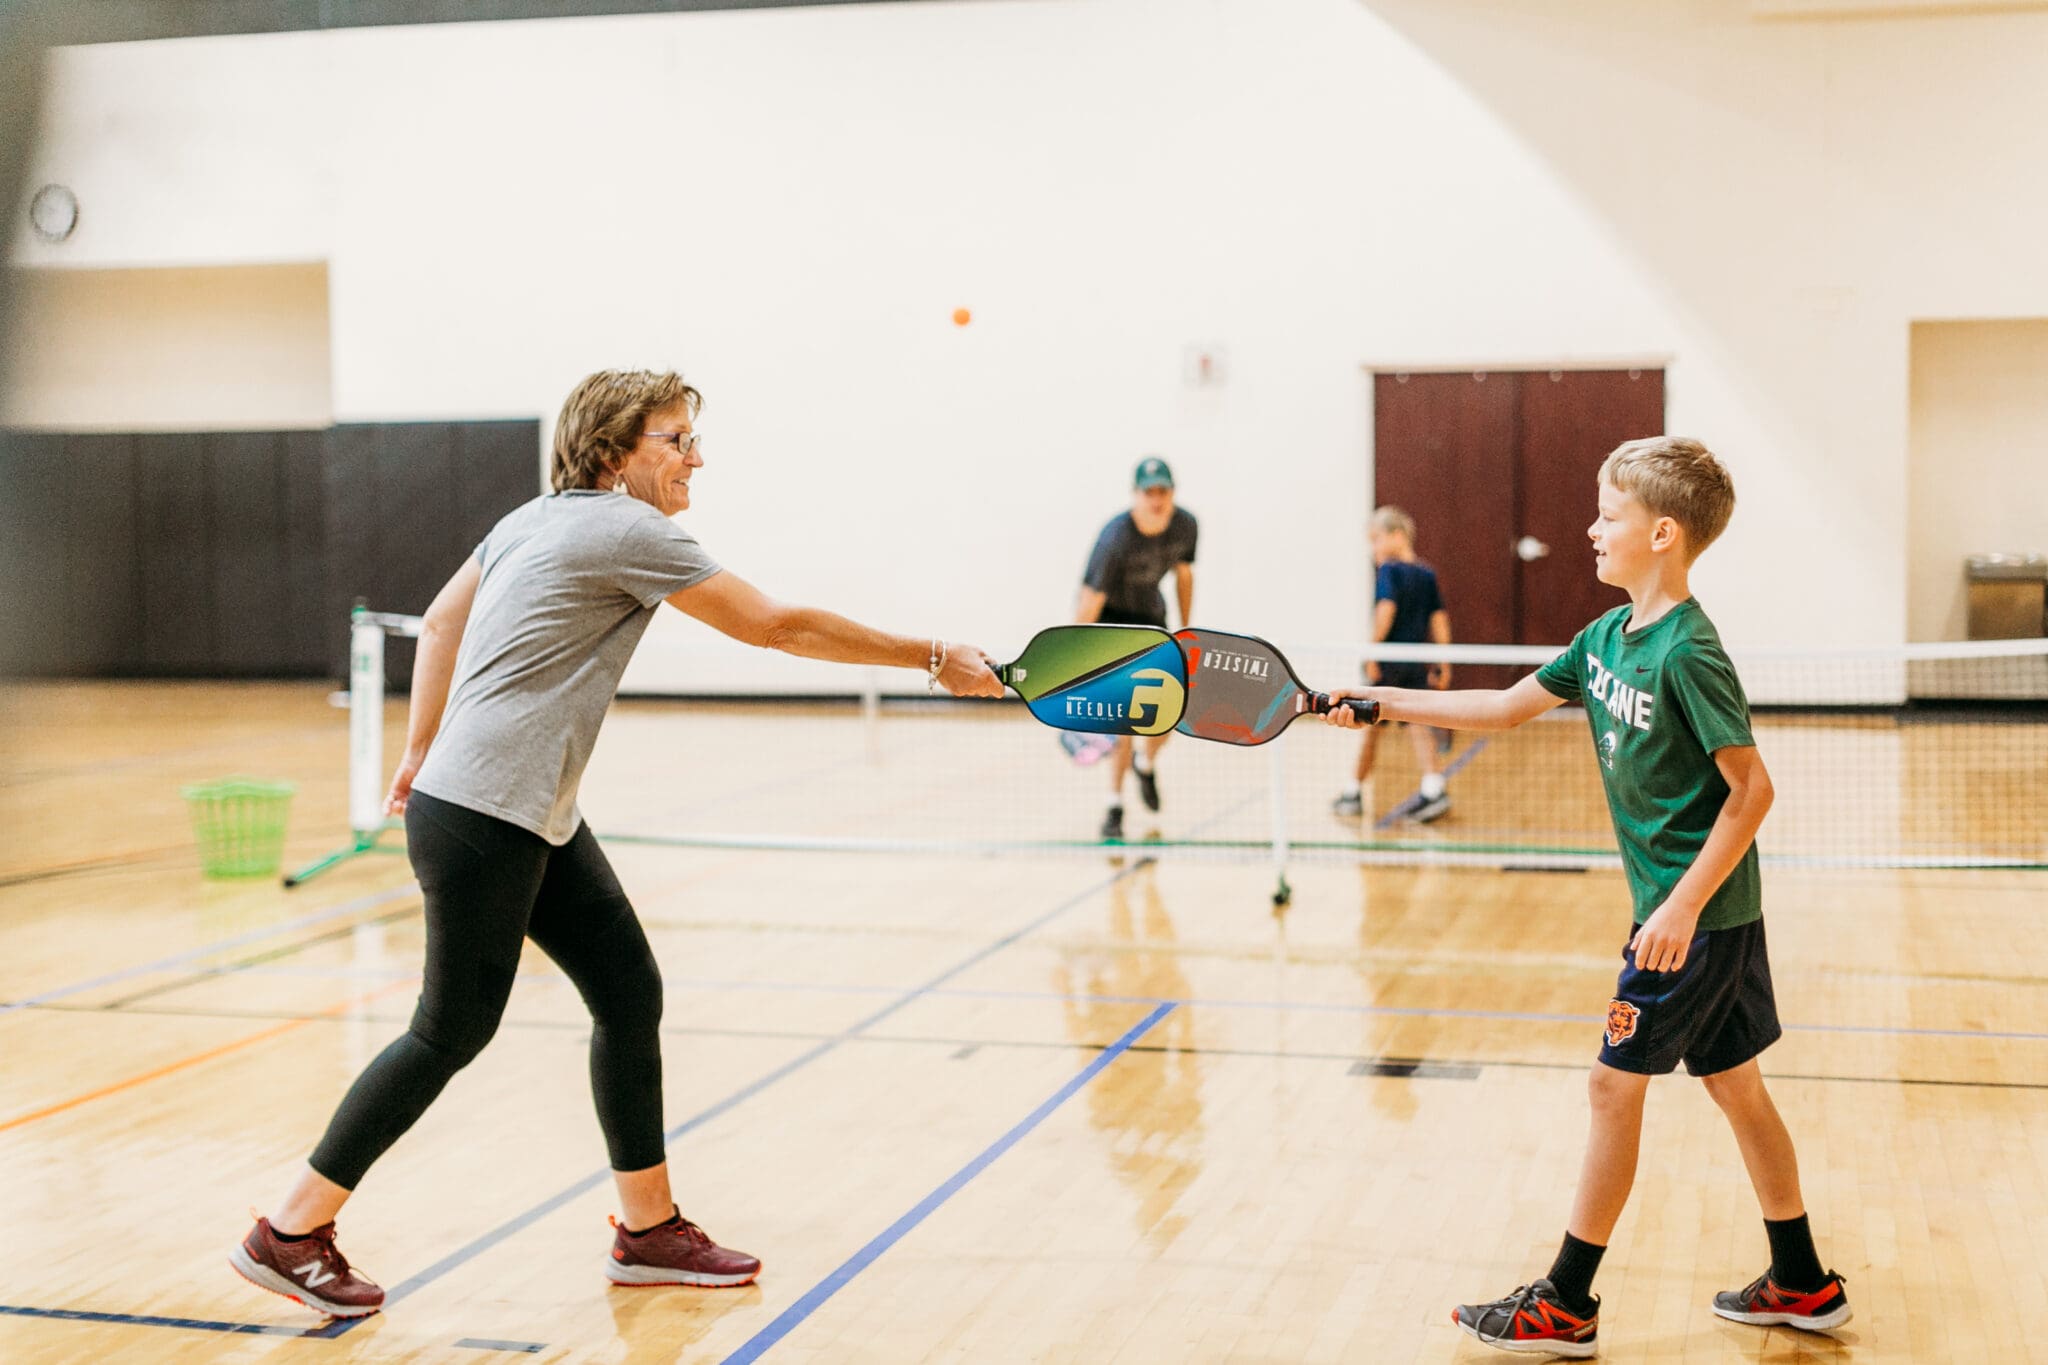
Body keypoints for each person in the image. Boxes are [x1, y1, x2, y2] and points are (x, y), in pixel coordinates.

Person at [230, 370, 1003, 1318]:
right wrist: (930, 655)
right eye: (675, 439)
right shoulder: (629, 529)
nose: (695, 458)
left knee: (628, 990)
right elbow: (771, 625)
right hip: (487, 814)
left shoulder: (527, 519)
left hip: (513, 806)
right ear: (614, 453)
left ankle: (648, 1231)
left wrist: (419, 752)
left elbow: (437, 621)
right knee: (450, 1030)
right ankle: (292, 1229)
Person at [1325, 438, 1847, 1357]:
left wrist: (1679, 909)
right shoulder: (1605, 639)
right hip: (1706, 917)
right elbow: (1502, 708)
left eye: (1607, 514)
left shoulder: (1689, 651)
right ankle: (1802, 1279)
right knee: (1736, 1085)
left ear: (1662, 532)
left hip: (1689, 920)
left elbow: (1753, 789)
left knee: (1613, 1086)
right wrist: (1383, 700)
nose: (1590, 528)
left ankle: (1565, 1301)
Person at [1076, 456, 1196, 841]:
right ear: (1136, 496)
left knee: (1176, 704)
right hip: (1110, 624)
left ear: (1172, 493)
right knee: (1125, 720)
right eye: (1149, 492)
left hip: (1151, 620)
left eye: (1163, 491)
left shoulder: (1185, 525)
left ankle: (1145, 764)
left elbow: (1184, 573)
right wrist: (1077, 662)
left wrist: (1187, 630)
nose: (1156, 499)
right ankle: (1115, 804)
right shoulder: (1114, 540)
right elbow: (1089, 598)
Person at [1331, 505, 1452, 822]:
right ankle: (1431, 787)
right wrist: (1444, 660)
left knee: (1372, 725)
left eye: (1376, 539)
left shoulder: (1390, 571)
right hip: (1416, 661)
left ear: (1398, 536)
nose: (1373, 549)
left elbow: (1385, 610)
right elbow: (1439, 620)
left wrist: (1371, 652)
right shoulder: (1427, 573)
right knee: (1415, 722)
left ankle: (1353, 791)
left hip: (1391, 663)